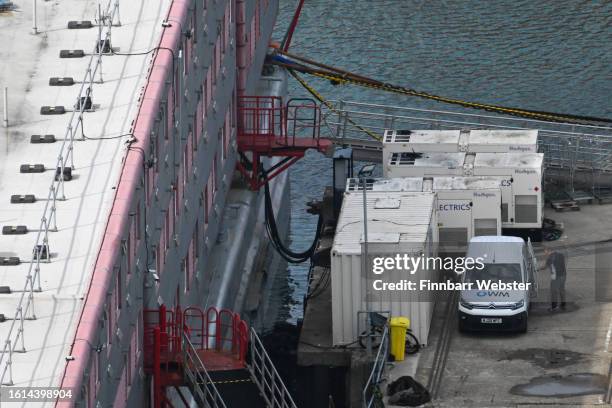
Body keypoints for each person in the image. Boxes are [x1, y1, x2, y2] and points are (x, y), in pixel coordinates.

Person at [544, 247, 567, 311]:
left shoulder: (550, 258)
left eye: (545, 251)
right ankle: (563, 305)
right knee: (562, 290)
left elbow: (545, 267)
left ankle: (554, 307)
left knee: (554, 292)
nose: (545, 253)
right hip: (563, 275)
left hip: (556, 277)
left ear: (549, 251)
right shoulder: (560, 254)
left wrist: (536, 269)